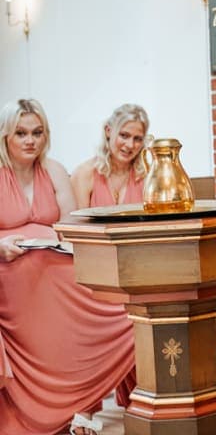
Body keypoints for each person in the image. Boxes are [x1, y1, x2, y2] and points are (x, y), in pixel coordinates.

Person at [0, 99, 135, 435]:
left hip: (59, 272)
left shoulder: (55, 170)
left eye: (37, 132)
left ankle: (81, 405)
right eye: (21, 133)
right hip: (10, 277)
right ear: (5, 136)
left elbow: (70, 228)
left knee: (124, 311)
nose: (30, 140)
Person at [71, 103, 149, 208]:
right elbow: (76, 218)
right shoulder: (83, 174)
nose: (130, 145)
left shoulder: (148, 177)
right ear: (108, 131)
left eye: (137, 139)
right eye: (124, 135)